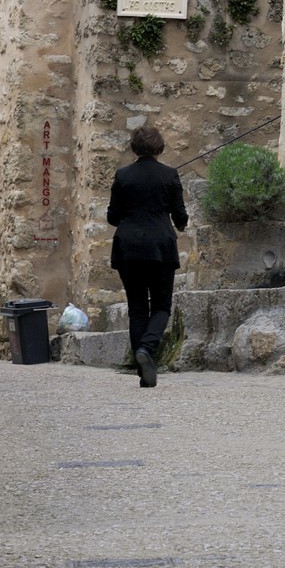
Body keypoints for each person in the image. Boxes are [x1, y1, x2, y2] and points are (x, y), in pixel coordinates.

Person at [107, 126, 187, 388]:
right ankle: (147, 348)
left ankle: (143, 370)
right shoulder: (169, 175)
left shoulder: (123, 175)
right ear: (159, 147)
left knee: (137, 308)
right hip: (160, 248)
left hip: (128, 248)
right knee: (162, 306)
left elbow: (112, 217)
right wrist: (179, 222)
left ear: (135, 147)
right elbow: (180, 216)